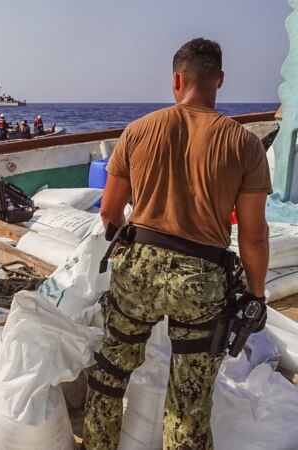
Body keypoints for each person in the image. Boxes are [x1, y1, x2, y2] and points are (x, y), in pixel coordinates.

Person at [82, 38, 271, 449]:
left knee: (111, 373)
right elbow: (253, 233)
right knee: (188, 401)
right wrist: (256, 294)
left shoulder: (137, 131)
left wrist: (126, 254)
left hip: (138, 269)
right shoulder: (245, 144)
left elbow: (110, 213)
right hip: (201, 278)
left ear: (176, 80)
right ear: (219, 81)